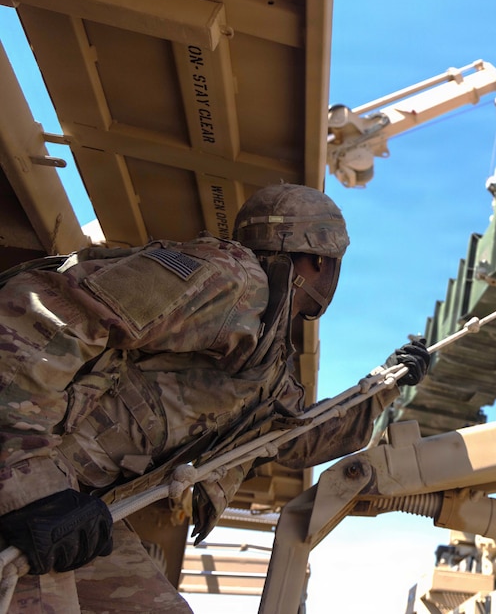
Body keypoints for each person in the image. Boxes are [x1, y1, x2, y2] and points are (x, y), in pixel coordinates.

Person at [0, 183, 430, 613]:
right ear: (321, 259)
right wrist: (30, 485)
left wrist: (384, 385)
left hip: (76, 501)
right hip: (32, 476)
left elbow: (294, 437)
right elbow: (41, 312)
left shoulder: (268, 356)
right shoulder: (231, 279)